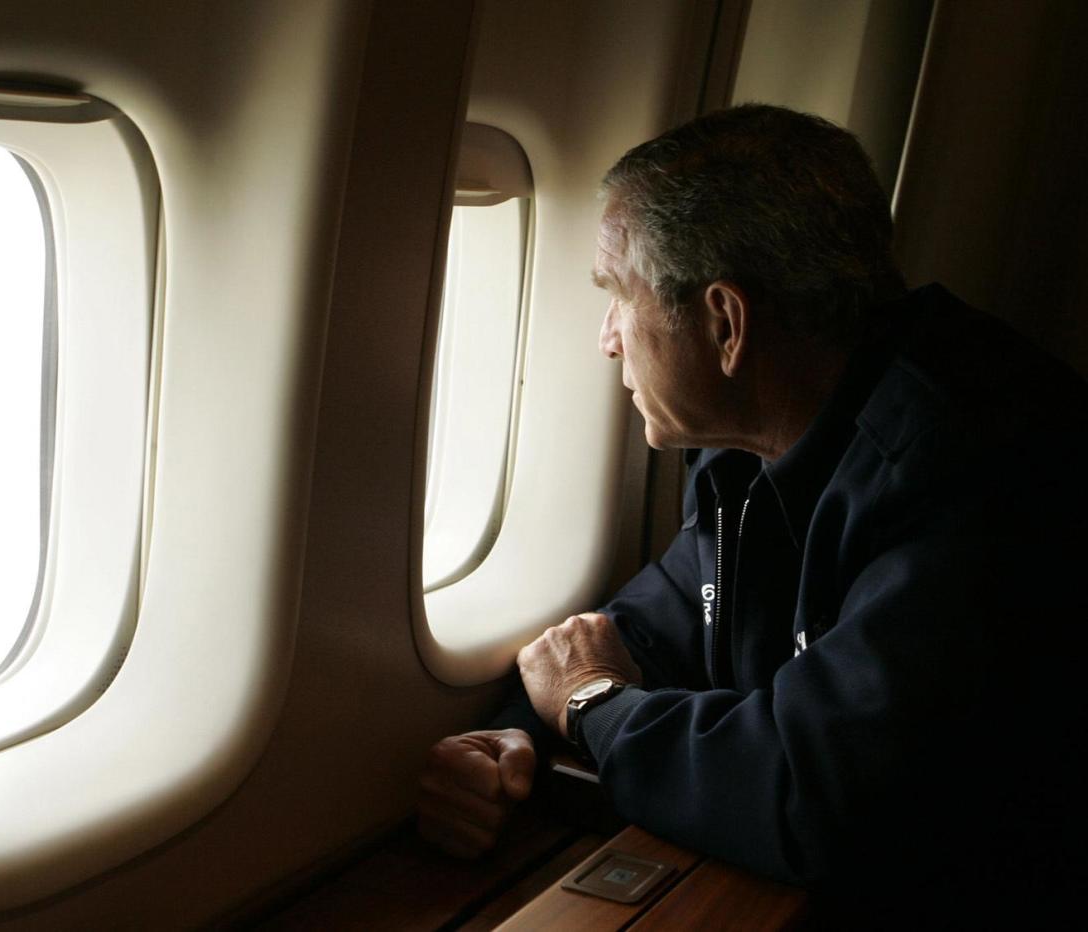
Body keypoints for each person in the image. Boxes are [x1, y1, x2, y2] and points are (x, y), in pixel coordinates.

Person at [416, 104, 1088, 922]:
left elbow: (811, 795)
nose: (607, 338)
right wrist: (523, 731)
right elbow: (651, 627)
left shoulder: (970, 471)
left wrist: (591, 706)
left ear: (725, 323)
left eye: (619, 298)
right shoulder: (752, 440)